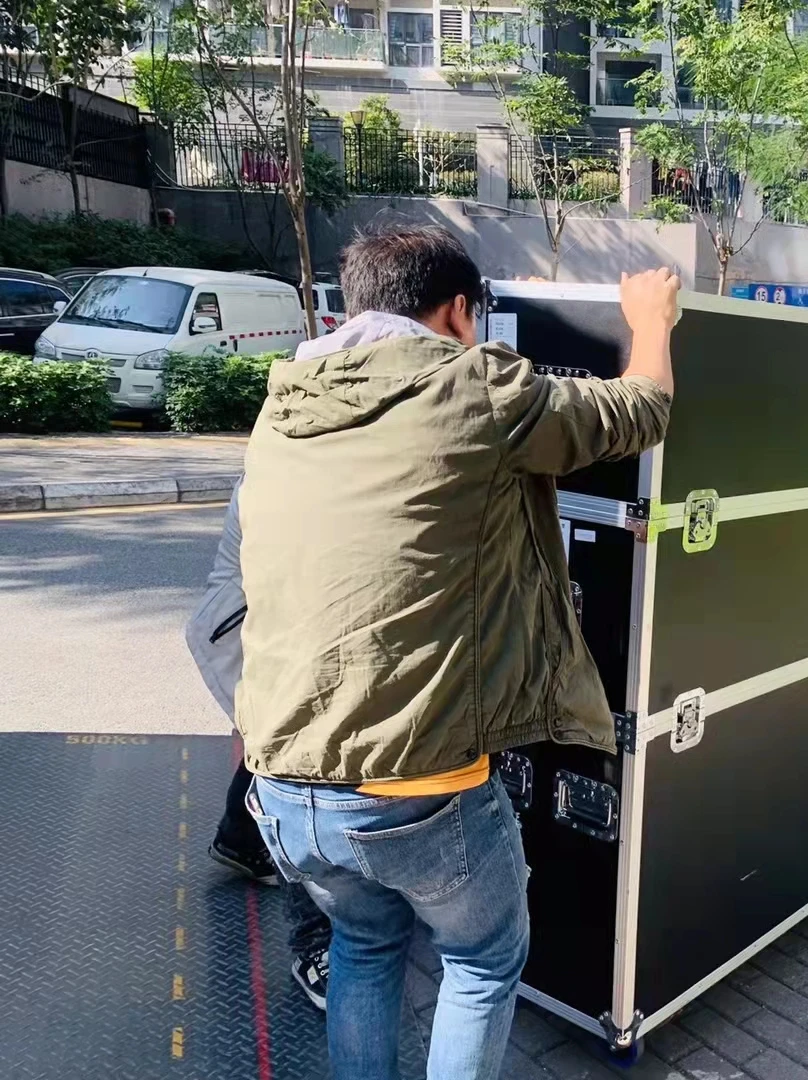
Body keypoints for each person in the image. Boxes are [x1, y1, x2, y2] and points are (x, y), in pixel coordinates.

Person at [236, 225, 677, 1080]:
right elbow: (639, 413)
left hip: (285, 785)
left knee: (365, 945)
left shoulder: (287, 402)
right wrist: (650, 322)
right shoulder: (474, 386)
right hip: (415, 792)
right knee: (480, 962)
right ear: (459, 313)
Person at [186, 484, 334, 1011]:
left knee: (277, 751)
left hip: (277, 628)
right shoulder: (289, 466)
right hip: (256, 628)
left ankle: (238, 840)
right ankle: (315, 943)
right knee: (296, 769)